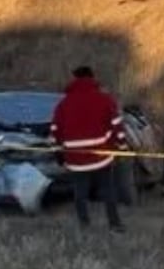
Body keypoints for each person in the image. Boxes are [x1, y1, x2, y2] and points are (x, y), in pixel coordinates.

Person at [49, 65, 128, 233]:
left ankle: (84, 225)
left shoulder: (63, 104)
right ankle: (114, 224)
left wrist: (58, 152)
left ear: (74, 79)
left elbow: (55, 130)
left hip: (76, 157)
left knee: (80, 193)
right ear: (93, 78)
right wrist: (121, 146)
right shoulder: (104, 99)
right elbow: (116, 125)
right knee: (108, 191)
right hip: (101, 155)